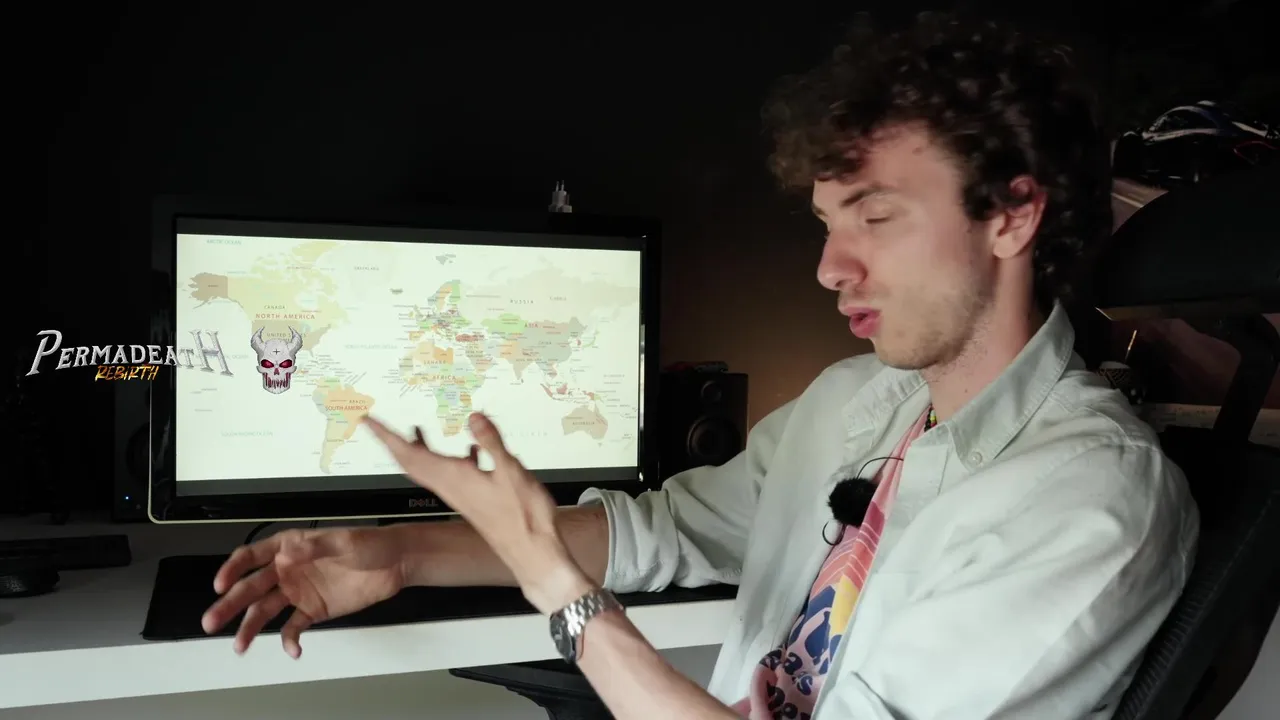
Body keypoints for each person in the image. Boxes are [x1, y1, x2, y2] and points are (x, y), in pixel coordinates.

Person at [202, 13, 1199, 719]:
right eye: (826, 223)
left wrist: (554, 583)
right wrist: (403, 555)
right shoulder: (857, 403)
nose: (829, 267)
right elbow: (665, 529)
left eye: (876, 217)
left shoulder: (1086, 501)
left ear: (1012, 215)